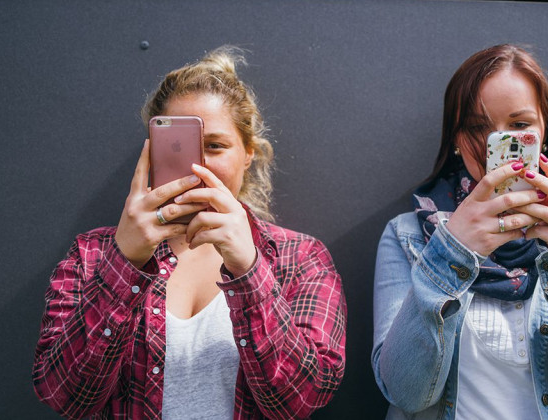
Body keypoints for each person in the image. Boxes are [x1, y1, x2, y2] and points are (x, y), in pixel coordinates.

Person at [33, 46, 347, 420]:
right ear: (151, 151)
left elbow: (301, 401)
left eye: (214, 145)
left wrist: (248, 270)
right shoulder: (92, 254)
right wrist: (124, 262)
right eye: (178, 147)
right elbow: (64, 396)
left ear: (248, 152)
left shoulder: (301, 258)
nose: (197, 164)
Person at [371, 44, 548, 420]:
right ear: (455, 137)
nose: (496, 145)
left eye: (519, 126)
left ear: (543, 132)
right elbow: (405, 392)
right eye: (478, 127)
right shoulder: (409, 235)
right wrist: (451, 253)